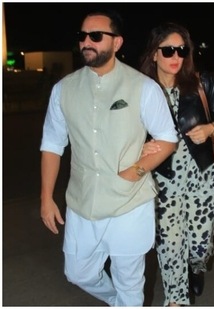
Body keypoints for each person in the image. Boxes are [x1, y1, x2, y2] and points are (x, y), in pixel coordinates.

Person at [39, 10, 178, 306]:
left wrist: (135, 171)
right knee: (78, 273)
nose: (87, 41)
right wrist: (46, 197)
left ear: (117, 43)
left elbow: (167, 138)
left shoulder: (143, 87)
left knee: (130, 282)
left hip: (129, 201)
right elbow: (52, 143)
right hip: (82, 200)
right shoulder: (63, 89)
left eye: (96, 36)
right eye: (83, 36)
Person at [139, 22, 214, 306]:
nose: (175, 57)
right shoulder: (141, 90)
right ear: (154, 54)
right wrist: (139, 145)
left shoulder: (202, 83)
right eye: (168, 50)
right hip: (162, 182)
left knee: (199, 243)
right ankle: (176, 299)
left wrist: (211, 128)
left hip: (203, 179)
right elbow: (123, 132)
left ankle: (196, 266)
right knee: (170, 248)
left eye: (181, 50)